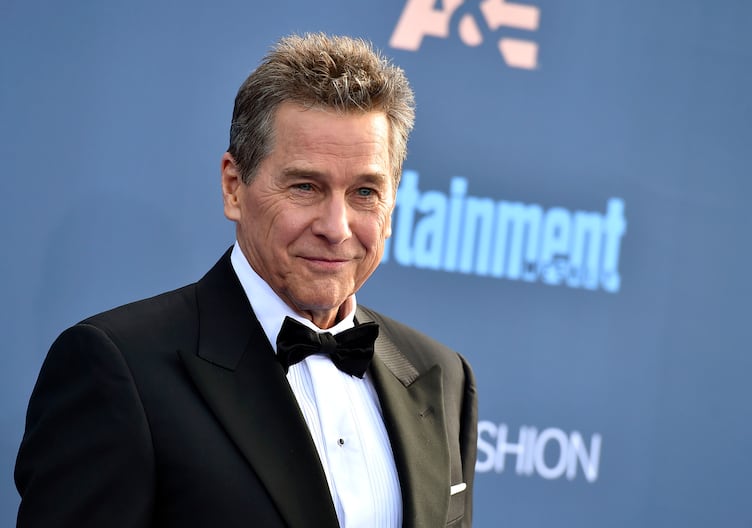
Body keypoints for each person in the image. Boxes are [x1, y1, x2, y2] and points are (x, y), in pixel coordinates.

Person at [15, 33, 477, 528]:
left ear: (391, 209)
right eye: (305, 187)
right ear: (234, 188)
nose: (336, 227)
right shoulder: (118, 368)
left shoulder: (442, 377)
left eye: (365, 191)